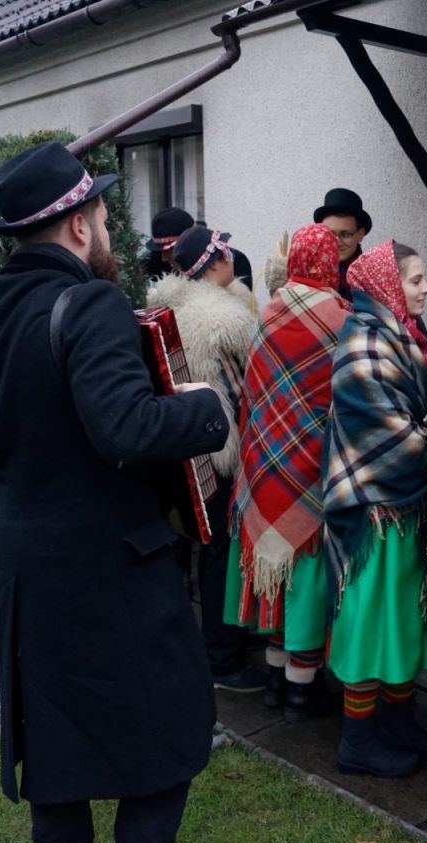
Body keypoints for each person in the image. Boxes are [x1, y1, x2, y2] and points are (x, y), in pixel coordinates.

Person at [0, 141, 228, 843]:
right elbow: (125, 428)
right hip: (114, 580)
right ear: (79, 224)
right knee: (166, 757)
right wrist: (202, 407)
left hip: (28, 578)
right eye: (102, 214)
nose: (106, 230)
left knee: (60, 774)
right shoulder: (93, 301)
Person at [323, 240, 427, 778]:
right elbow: (395, 437)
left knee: (402, 618)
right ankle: (356, 740)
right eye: (416, 279)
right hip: (374, 508)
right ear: (387, 285)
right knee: (368, 621)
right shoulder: (362, 347)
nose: (426, 288)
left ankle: (398, 723)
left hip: (405, 508)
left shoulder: (406, 337)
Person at [228, 224, 350, 721]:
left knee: (274, 574)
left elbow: (256, 393)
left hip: (264, 461)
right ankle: (303, 691)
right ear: (329, 263)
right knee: (306, 576)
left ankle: (277, 679)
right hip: (313, 463)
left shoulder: (267, 312)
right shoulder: (342, 319)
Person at [148, 225, 266, 693]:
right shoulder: (228, 319)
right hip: (222, 448)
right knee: (221, 553)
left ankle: (206, 645)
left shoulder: (168, 306)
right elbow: (248, 387)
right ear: (216, 260)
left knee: (197, 547)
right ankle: (223, 658)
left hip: (182, 444)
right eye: (224, 249)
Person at [314, 187, 371, 297]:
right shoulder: (309, 269)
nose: (336, 242)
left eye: (345, 234)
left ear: (360, 234)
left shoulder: (373, 276)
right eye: (330, 234)